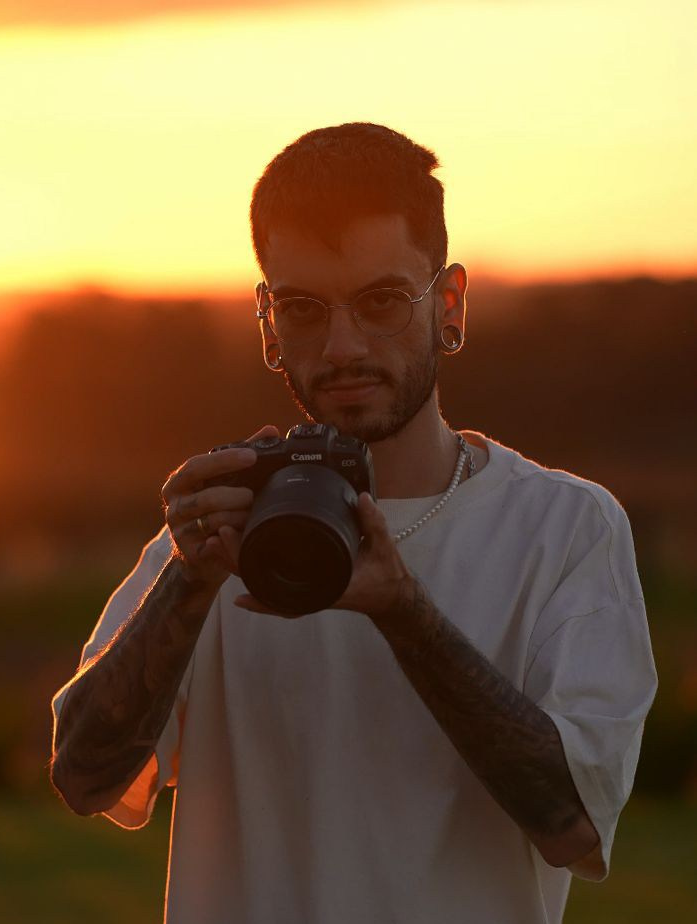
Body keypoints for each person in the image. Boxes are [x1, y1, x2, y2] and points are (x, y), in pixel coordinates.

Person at [50, 123, 657, 924]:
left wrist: (403, 613)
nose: (341, 347)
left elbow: (574, 826)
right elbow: (85, 780)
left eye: (380, 302)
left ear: (448, 305)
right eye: (303, 308)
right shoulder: (219, 534)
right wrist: (187, 579)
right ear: (268, 323)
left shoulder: (562, 528)